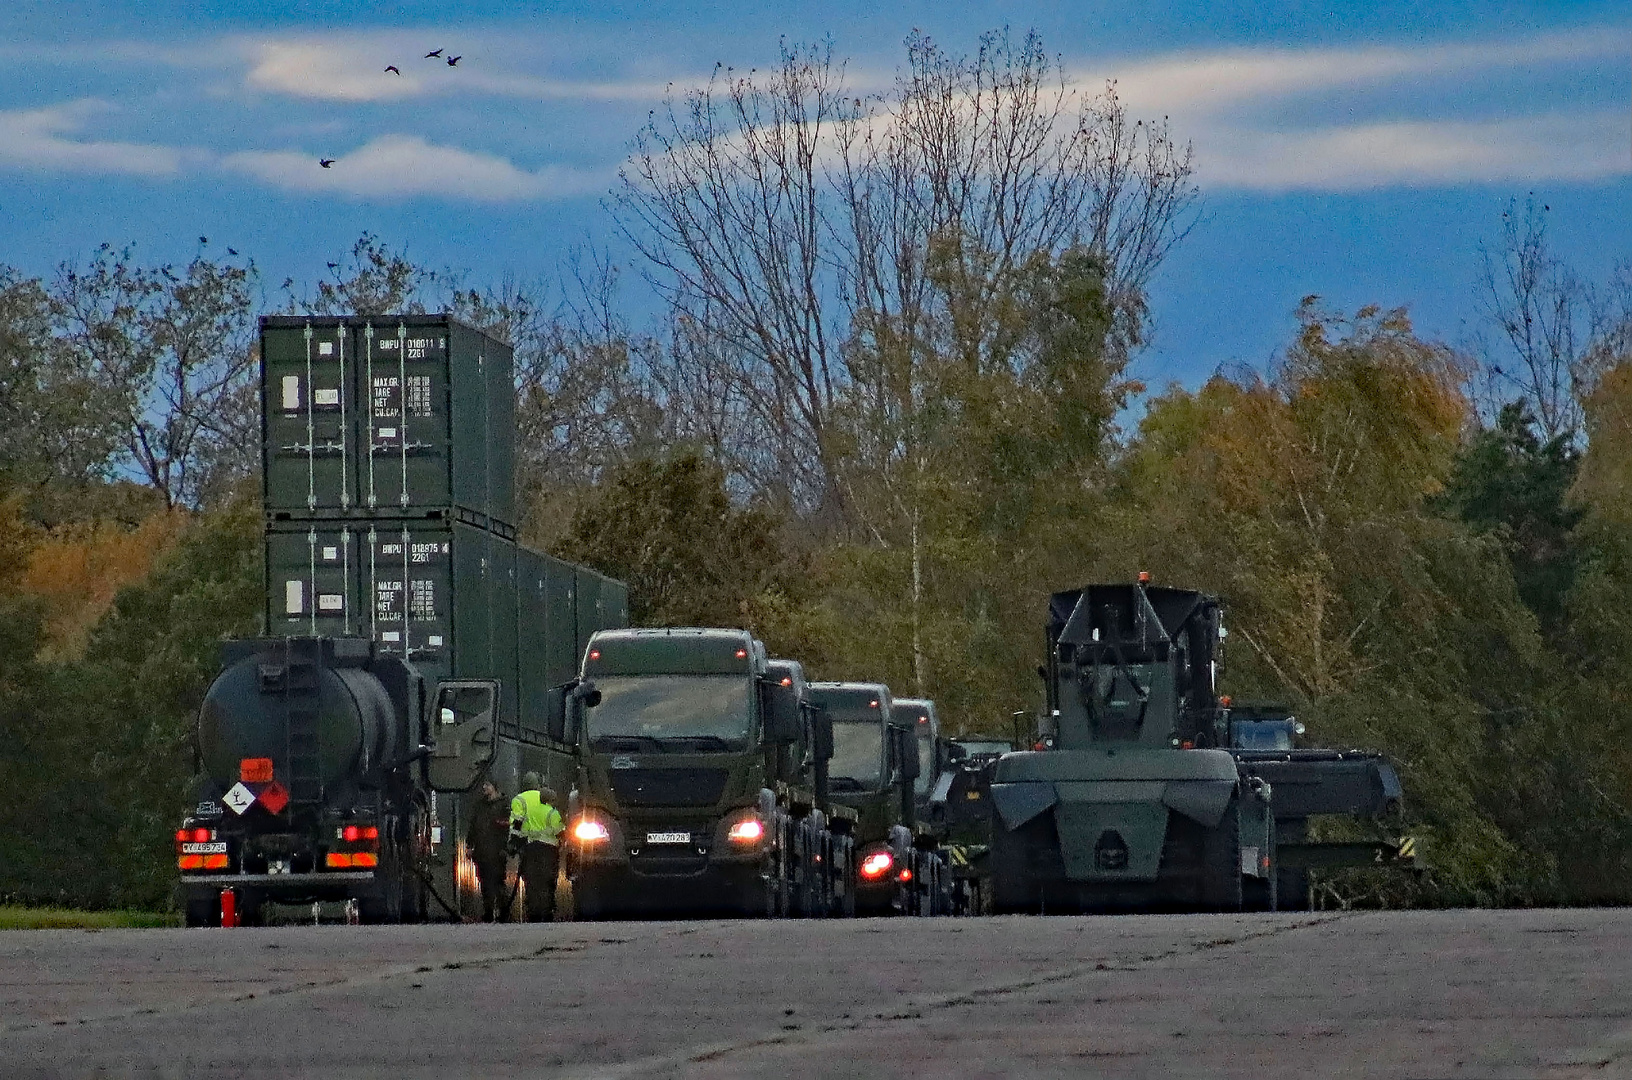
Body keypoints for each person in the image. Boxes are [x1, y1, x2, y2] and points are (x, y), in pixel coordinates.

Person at [510, 771, 564, 922]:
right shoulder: (549, 809)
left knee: (532, 881)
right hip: (549, 850)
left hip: (529, 848)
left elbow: (516, 824)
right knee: (547, 880)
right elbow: (559, 830)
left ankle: (533, 912)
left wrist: (513, 844)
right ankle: (547, 911)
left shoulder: (519, 799)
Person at [466, 779, 511, 922]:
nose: (484, 787)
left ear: (494, 787)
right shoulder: (480, 806)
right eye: (483, 784)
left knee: (498, 881)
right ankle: (488, 912)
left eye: (487, 785)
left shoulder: (504, 805)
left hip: (497, 851)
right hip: (482, 851)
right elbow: (474, 826)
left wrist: (504, 847)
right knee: (485, 883)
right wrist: (469, 845)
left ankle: (503, 913)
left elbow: (508, 827)